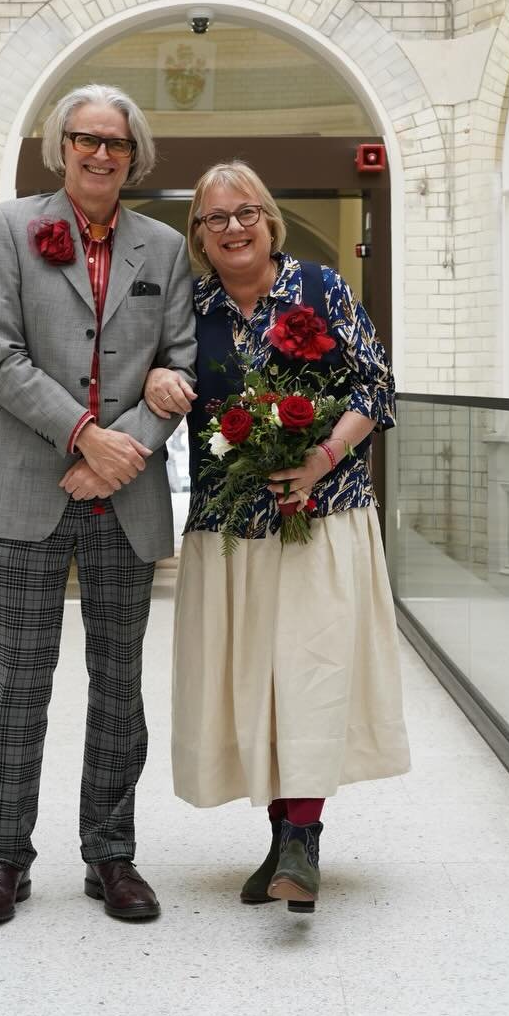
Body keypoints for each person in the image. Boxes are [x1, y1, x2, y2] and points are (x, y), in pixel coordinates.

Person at [144, 160, 410, 914]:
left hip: (321, 519)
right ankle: (281, 841)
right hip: (231, 527)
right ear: (198, 235)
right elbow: (156, 379)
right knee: (256, 682)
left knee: (310, 676)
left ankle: (302, 841)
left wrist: (322, 456)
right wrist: (154, 381)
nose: (232, 227)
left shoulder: (321, 288)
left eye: (245, 212)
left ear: (269, 219)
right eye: (214, 218)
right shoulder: (189, 310)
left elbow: (374, 385)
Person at [0, 83, 196, 926]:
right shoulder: (11, 228)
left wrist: (118, 452)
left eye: (118, 143)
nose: (102, 154)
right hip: (30, 488)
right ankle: (4, 861)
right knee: (20, 685)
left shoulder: (164, 248)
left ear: (135, 157)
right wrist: (83, 436)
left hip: (123, 498)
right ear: (60, 148)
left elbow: (179, 364)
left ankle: (112, 855)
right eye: (86, 139)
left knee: (118, 684)